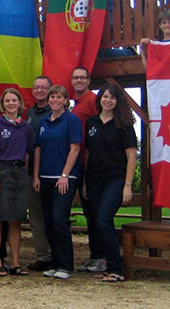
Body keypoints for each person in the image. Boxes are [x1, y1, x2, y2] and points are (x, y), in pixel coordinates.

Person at [83, 83, 138, 283]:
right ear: (100, 99)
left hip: (115, 179)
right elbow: (88, 153)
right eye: (105, 96)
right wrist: (84, 182)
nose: (107, 100)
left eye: (112, 98)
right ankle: (105, 265)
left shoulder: (124, 124)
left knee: (104, 220)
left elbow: (132, 155)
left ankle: (117, 269)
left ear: (118, 101)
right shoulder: (91, 123)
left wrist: (128, 184)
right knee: (96, 221)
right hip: (94, 178)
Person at [32, 85, 82, 280]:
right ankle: (55, 261)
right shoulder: (44, 122)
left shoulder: (72, 120)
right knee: (49, 221)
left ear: (65, 100)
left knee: (60, 220)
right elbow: (37, 149)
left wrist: (65, 175)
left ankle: (66, 265)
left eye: (58, 97)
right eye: (52, 97)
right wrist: (36, 175)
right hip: (44, 177)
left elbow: (75, 148)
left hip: (64, 179)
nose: (54, 100)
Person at [0, 88, 31, 277]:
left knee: (15, 220)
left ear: (20, 103)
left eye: (15, 100)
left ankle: (15, 262)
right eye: (7, 101)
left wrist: (26, 175)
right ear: (2, 104)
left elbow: (28, 153)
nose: (11, 103)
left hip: (19, 173)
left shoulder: (26, 127)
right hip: (1, 171)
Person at [68, 67, 105, 274]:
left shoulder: (92, 100)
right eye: (75, 77)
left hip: (88, 164)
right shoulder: (75, 103)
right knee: (88, 211)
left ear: (89, 80)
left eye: (82, 77)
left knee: (94, 212)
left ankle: (101, 256)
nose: (79, 80)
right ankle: (95, 255)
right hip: (76, 162)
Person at [25, 76, 53, 272]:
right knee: (35, 216)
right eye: (37, 87)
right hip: (30, 171)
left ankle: (57, 253)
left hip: (51, 170)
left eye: (44, 87)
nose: (40, 90)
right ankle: (43, 256)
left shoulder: (55, 111)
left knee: (54, 215)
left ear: (50, 90)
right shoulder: (29, 112)